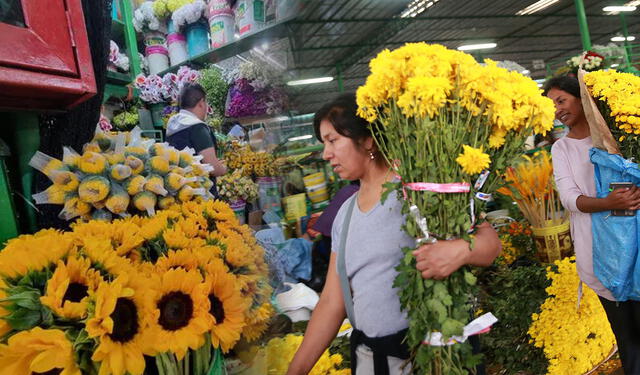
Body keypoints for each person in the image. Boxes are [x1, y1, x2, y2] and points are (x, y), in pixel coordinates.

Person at [286, 93, 501, 375]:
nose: (326, 154)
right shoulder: (346, 214)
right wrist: (297, 369)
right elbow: (331, 301)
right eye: (324, 143)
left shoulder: (423, 190)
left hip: (435, 357)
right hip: (374, 360)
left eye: (333, 140)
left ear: (368, 139)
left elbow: (490, 245)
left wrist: (460, 250)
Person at [545, 75, 640, 374]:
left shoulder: (624, 136)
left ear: (583, 98)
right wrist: (609, 203)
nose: (557, 109)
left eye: (561, 100)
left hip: (637, 248)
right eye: (552, 105)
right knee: (628, 337)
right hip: (599, 254)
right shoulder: (562, 149)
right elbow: (570, 199)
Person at [166, 83, 227, 197]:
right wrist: (223, 169)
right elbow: (213, 167)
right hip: (201, 194)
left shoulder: (173, 125)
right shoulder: (197, 128)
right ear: (201, 103)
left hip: (180, 192)